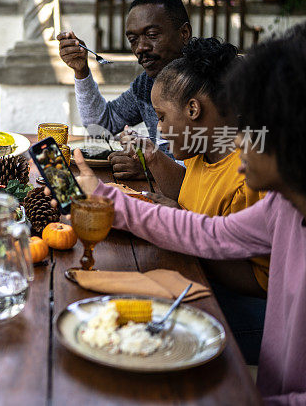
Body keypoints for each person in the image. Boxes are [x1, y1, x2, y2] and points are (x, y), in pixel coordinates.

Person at [67, 26, 306, 403]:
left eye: (253, 128)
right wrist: (107, 196)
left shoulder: (255, 184)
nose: (240, 140)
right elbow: (210, 233)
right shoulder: (285, 207)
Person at [139, 37, 268, 363]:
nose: (160, 127)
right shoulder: (203, 149)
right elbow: (192, 198)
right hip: (201, 279)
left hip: (252, 311)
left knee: (146, 326)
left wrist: (181, 227)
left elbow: (260, 282)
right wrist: (156, 170)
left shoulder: (251, 175)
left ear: (193, 109)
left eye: (162, 116)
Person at [57, 0, 192, 179]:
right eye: (133, 40)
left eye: (152, 35)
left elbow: (214, 169)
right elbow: (102, 124)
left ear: (184, 33)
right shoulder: (146, 84)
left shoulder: (210, 85)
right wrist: (82, 71)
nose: (140, 48)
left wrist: (150, 166)